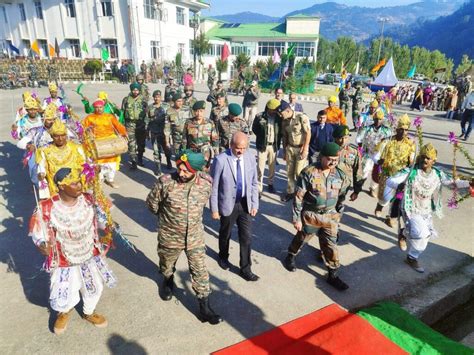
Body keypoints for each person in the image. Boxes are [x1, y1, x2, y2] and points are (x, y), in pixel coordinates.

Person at [29, 167, 116, 335]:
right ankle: (64, 312)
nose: (80, 185)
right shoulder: (46, 207)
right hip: (63, 258)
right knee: (64, 289)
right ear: (61, 186)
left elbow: (101, 219)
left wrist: (108, 225)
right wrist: (41, 244)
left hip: (89, 253)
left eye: (79, 181)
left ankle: (88, 312)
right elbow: (37, 232)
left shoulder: (89, 199)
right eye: (74, 183)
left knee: (95, 286)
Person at [146, 150, 223, 325]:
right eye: (179, 168)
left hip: (194, 236)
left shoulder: (205, 184)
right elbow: (152, 204)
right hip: (170, 235)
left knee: (200, 270)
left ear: (195, 171)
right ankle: (167, 280)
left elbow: (205, 201)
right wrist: (168, 220)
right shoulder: (166, 183)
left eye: (186, 171)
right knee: (166, 263)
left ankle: (204, 308)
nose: (181, 173)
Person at [386, 143, 471, 272]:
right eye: (424, 157)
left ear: (433, 160)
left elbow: (452, 182)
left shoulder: (437, 173)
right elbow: (390, 181)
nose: (425, 160)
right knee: (421, 233)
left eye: (429, 158)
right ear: (420, 157)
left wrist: (469, 183)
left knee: (425, 238)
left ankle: (410, 254)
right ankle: (406, 238)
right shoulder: (411, 172)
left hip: (425, 209)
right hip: (411, 207)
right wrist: (401, 182)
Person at [283, 142, 351, 291]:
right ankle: (291, 256)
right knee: (302, 238)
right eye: (329, 159)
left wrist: (338, 214)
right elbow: (298, 197)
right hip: (311, 214)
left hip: (330, 216)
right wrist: (297, 218)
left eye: (335, 159)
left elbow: (342, 196)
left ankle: (333, 275)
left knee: (331, 245)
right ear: (322, 157)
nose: (333, 162)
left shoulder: (340, 174)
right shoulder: (309, 172)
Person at [210, 132, 259, 281]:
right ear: (231, 145)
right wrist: (214, 209)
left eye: (244, 148)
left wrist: (255, 203)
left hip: (245, 204)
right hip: (227, 204)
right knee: (225, 233)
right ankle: (223, 256)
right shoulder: (220, 160)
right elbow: (214, 186)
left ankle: (246, 268)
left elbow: (254, 183)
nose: (241, 151)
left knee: (246, 237)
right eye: (238, 148)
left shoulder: (250, 157)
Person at [374, 114, 416, 228]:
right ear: (397, 129)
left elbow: (412, 159)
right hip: (387, 174)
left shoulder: (411, 144)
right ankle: (380, 205)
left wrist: (412, 163)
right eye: (401, 129)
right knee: (385, 197)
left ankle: (391, 217)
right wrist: (379, 161)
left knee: (398, 198)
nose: (403, 132)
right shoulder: (387, 141)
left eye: (406, 130)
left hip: (401, 176)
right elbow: (376, 155)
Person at [82, 99, 127, 188]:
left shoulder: (109, 116)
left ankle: (110, 179)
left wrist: (124, 133)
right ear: (94, 108)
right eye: (97, 108)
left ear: (103, 107)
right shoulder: (89, 118)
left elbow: (118, 125)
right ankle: (99, 179)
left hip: (111, 143)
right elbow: (83, 128)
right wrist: (87, 132)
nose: (99, 109)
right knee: (98, 162)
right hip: (97, 144)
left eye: (101, 107)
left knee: (112, 162)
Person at [36, 119, 86, 198]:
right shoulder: (45, 151)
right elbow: (41, 168)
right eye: (56, 136)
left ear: (66, 135)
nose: (60, 139)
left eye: (63, 135)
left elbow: (85, 165)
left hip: (75, 183)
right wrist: (41, 174)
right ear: (52, 136)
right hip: (56, 185)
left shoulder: (76, 147)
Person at [356, 110, 392, 197]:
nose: (378, 121)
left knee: (376, 173)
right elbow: (359, 138)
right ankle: (359, 185)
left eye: (380, 119)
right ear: (373, 118)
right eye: (376, 119)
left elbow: (389, 143)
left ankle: (372, 188)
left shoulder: (387, 131)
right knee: (364, 170)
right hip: (367, 153)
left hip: (379, 155)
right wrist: (360, 146)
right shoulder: (367, 128)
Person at [280, 101, 311, 202]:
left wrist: (305, 149)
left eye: (281, 113)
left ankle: (301, 193)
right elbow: (284, 136)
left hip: (300, 148)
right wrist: (284, 151)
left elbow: (308, 133)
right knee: (289, 172)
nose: (280, 115)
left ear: (288, 110)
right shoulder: (284, 120)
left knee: (299, 172)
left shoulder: (301, 117)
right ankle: (290, 192)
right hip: (290, 148)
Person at [252, 99, 282, 196]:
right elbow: (254, 129)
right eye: (274, 109)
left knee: (272, 167)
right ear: (269, 108)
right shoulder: (259, 117)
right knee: (260, 167)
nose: (275, 111)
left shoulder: (279, 118)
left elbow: (281, 131)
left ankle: (270, 184)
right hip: (262, 146)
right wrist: (261, 138)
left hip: (273, 146)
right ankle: (259, 188)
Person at [332, 125, 364, 202]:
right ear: (335, 138)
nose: (343, 141)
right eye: (340, 138)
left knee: (339, 205)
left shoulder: (353, 151)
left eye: (346, 138)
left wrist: (356, 191)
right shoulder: (329, 149)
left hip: (344, 186)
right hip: (329, 184)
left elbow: (358, 172)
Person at [182, 101, 219, 165]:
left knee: (204, 171)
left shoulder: (210, 123)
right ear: (193, 112)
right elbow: (184, 139)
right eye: (196, 111)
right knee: (193, 171)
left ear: (204, 111)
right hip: (192, 152)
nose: (199, 113)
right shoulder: (188, 123)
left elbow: (214, 139)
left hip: (205, 153)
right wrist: (184, 152)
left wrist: (216, 153)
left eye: (201, 111)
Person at [121, 82, 148, 169]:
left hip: (141, 124)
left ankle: (140, 158)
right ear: (131, 90)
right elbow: (122, 112)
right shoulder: (126, 99)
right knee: (131, 143)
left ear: (139, 90)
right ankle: (133, 161)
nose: (135, 91)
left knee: (141, 143)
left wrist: (147, 125)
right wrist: (122, 125)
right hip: (130, 124)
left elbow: (147, 113)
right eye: (134, 90)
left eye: (137, 90)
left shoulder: (143, 100)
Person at [146, 90, 172, 175]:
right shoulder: (150, 107)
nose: (157, 98)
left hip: (165, 133)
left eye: (158, 96)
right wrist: (147, 132)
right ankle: (158, 167)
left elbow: (171, 117)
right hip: (154, 132)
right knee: (156, 151)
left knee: (167, 149)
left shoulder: (166, 106)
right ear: (153, 97)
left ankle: (168, 162)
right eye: (155, 97)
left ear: (161, 97)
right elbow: (147, 120)